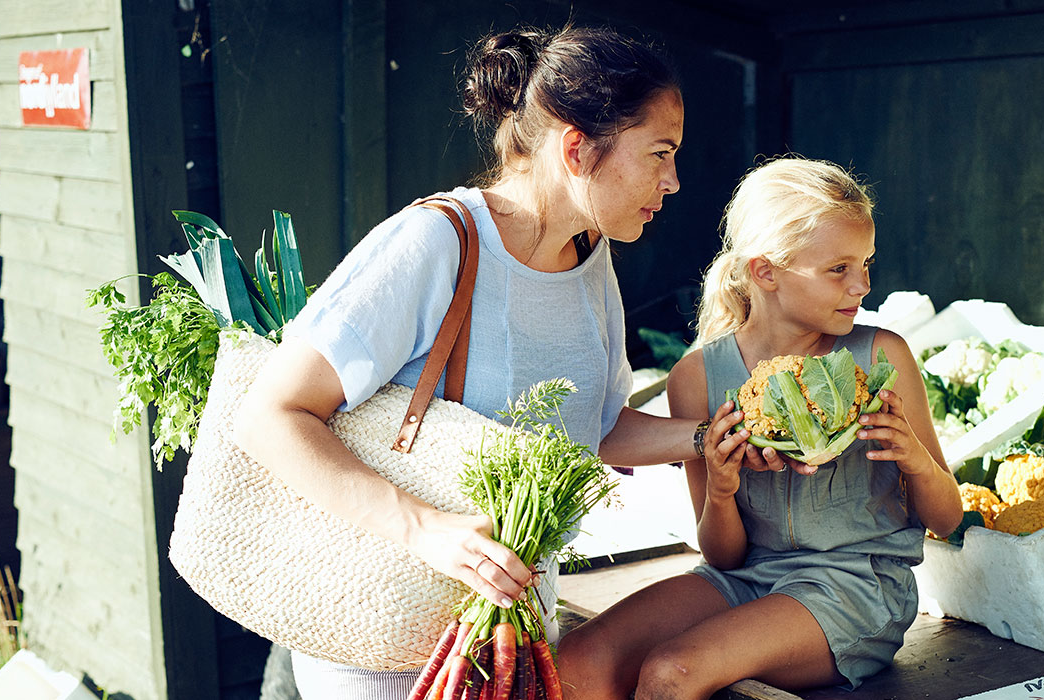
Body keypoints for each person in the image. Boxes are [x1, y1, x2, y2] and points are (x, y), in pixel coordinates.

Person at [233, 24, 785, 699]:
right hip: (385, 641)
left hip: (510, 635)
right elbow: (269, 414)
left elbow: (596, 427)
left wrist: (710, 440)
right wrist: (428, 530)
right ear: (577, 150)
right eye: (659, 154)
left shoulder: (590, 257)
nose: (673, 181)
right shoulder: (435, 242)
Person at [556, 157, 965, 699]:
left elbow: (949, 518)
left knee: (670, 673)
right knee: (574, 665)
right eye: (838, 269)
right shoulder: (698, 376)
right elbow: (723, 556)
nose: (862, 284)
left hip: (857, 587)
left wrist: (914, 459)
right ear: (765, 271)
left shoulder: (880, 355)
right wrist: (722, 491)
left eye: (865, 263)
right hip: (743, 579)